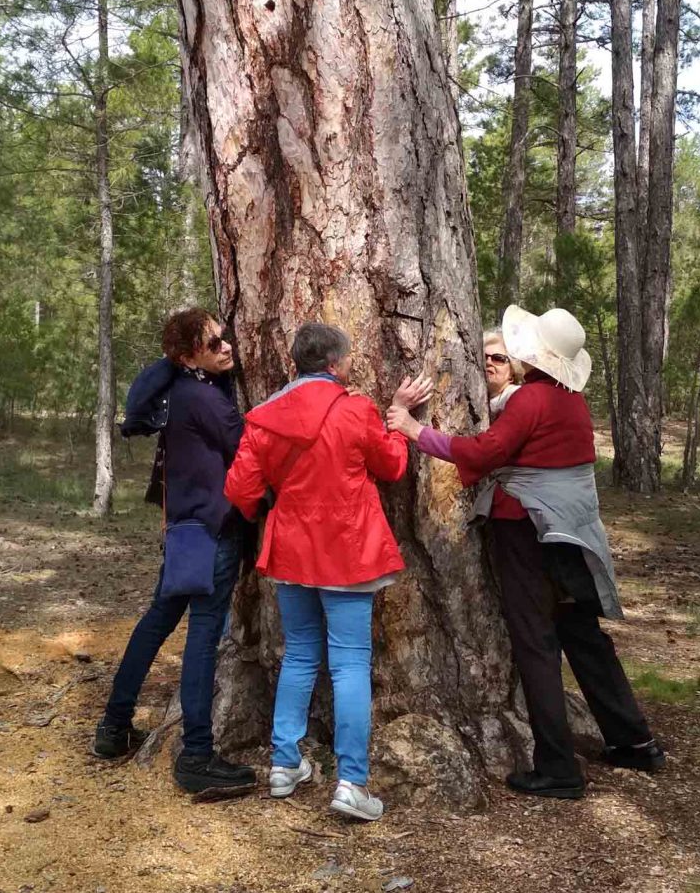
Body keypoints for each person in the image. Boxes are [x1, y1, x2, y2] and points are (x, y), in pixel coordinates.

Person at [387, 305, 663, 800]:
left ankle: (558, 768)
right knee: (583, 636)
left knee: (536, 643)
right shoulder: (570, 399)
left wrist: (413, 430)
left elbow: (480, 454)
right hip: (572, 533)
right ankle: (634, 741)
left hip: (529, 531)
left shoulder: (533, 400)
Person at [224, 323, 432, 822]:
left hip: (291, 551)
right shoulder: (353, 408)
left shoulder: (266, 417)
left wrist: (276, 500)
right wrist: (397, 422)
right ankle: (352, 783)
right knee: (349, 665)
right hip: (348, 551)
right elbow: (391, 465)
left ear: (297, 362)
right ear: (336, 365)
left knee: (299, 655)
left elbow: (239, 490)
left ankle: (284, 763)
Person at [90, 308, 259, 795]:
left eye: (225, 338)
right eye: (213, 344)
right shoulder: (201, 398)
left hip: (186, 530)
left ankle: (114, 727)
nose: (227, 347)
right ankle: (197, 756)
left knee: (157, 621)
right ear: (189, 357)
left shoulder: (181, 391)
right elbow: (246, 451)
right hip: (213, 531)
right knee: (204, 637)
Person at [484, 329, 525, 418]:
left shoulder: (516, 395)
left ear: (512, 371)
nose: (488, 362)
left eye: (498, 359)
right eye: (484, 357)